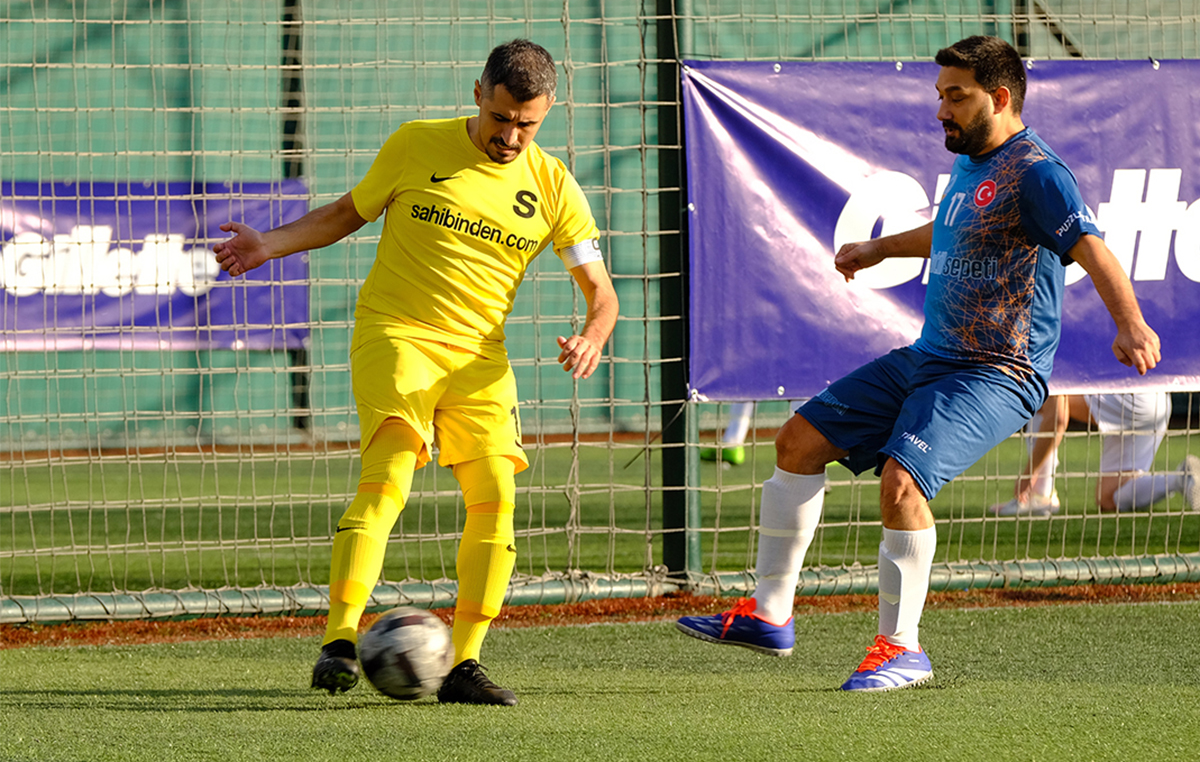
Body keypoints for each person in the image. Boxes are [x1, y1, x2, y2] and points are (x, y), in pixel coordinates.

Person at [676, 36, 1161, 692]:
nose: (941, 109)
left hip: (996, 371)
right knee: (797, 441)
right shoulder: (973, 163)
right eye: (939, 95)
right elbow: (952, 227)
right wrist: (879, 250)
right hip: (930, 356)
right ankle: (768, 615)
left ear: (1000, 97)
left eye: (955, 96)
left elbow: (1094, 250)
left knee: (901, 485)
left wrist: (1130, 325)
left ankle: (901, 649)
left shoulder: (1040, 173)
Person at [213, 39, 619, 706]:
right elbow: (348, 213)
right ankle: (341, 642)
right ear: (479, 95)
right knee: (391, 474)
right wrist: (270, 243)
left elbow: (602, 293)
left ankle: (464, 665)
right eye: (503, 119)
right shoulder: (414, 144)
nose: (512, 136)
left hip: (480, 359)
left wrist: (593, 335)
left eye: (529, 124)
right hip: (396, 335)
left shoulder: (552, 184)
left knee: (496, 497)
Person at [992, 392, 1199, 515]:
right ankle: (1179, 479)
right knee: (1108, 497)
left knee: (1042, 397)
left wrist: (1029, 474)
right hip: (1158, 399)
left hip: (1129, 395)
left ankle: (1038, 495)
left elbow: (1058, 417)